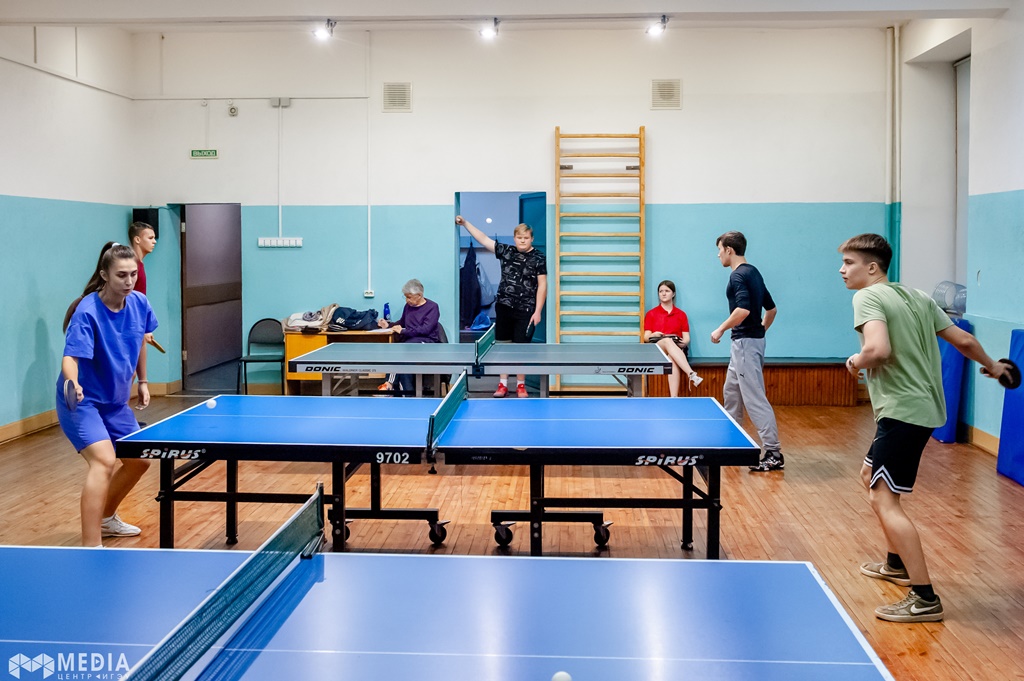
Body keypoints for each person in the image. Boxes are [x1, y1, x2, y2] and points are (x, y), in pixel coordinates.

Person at [839, 233, 1011, 623]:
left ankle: (924, 596)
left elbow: (877, 350)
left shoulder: (867, 297)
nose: (842, 270)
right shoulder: (917, 296)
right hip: (923, 409)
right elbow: (963, 339)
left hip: (902, 411)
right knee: (869, 474)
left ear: (872, 267)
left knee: (884, 500)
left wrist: (855, 360)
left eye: (849, 263)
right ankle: (896, 563)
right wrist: (993, 365)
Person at [57, 242, 158, 546]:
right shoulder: (87, 311)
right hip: (83, 401)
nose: (128, 282)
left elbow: (141, 340)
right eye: (121, 275)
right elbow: (70, 357)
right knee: (104, 460)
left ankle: (106, 519)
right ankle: (92, 546)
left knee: (140, 460)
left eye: (132, 275)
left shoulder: (139, 303)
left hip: (115, 402)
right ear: (104, 275)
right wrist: (73, 383)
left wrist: (143, 380)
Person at [711, 231, 783, 472]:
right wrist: (759, 331)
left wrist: (720, 329)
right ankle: (733, 444)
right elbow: (771, 309)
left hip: (745, 344)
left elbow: (742, 310)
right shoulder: (753, 272)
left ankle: (773, 452)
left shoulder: (738, 276)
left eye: (719, 249)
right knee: (731, 393)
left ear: (729, 250)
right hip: (748, 342)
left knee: (754, 398)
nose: (718, 255)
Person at [456, 215, 546, 398]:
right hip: (504, 308)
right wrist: (465, 223)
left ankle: (521, 385)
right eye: (519, 237)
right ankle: (502, 384)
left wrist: (538, 311)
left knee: (521, 350)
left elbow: (542, 285)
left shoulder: (539, 257)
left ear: (531, 238)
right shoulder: (506, 251)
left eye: (526, 237)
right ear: (514, 238)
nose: (522, 240)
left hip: (526, 310)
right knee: (503, 348)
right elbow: (483, 238)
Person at [377, 279, 441, 394]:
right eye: (406, 297)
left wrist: (404, 331)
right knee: (404, 362)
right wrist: (388, 325)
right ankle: (406, 394)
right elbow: (402, 323)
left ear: (419, 295)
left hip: (427, 342)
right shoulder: (408, 306)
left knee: (403, 350)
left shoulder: (432, 307)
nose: (407, 300)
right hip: (410, 342)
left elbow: (425, 329)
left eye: (409, 297)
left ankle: (389, 384)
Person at [644, 280, 703, 396]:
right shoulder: (651, 314)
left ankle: (674, 397)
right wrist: (653, 335)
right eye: (661, 291)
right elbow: (646, 337)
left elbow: (686, 338)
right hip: (658, 349)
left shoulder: (681, 314)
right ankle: (691, 373)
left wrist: (683, 343)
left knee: (672, 358)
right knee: (667, 340)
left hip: (677, 349)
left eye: (667, 291)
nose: (663, 293)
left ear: (673, 294)